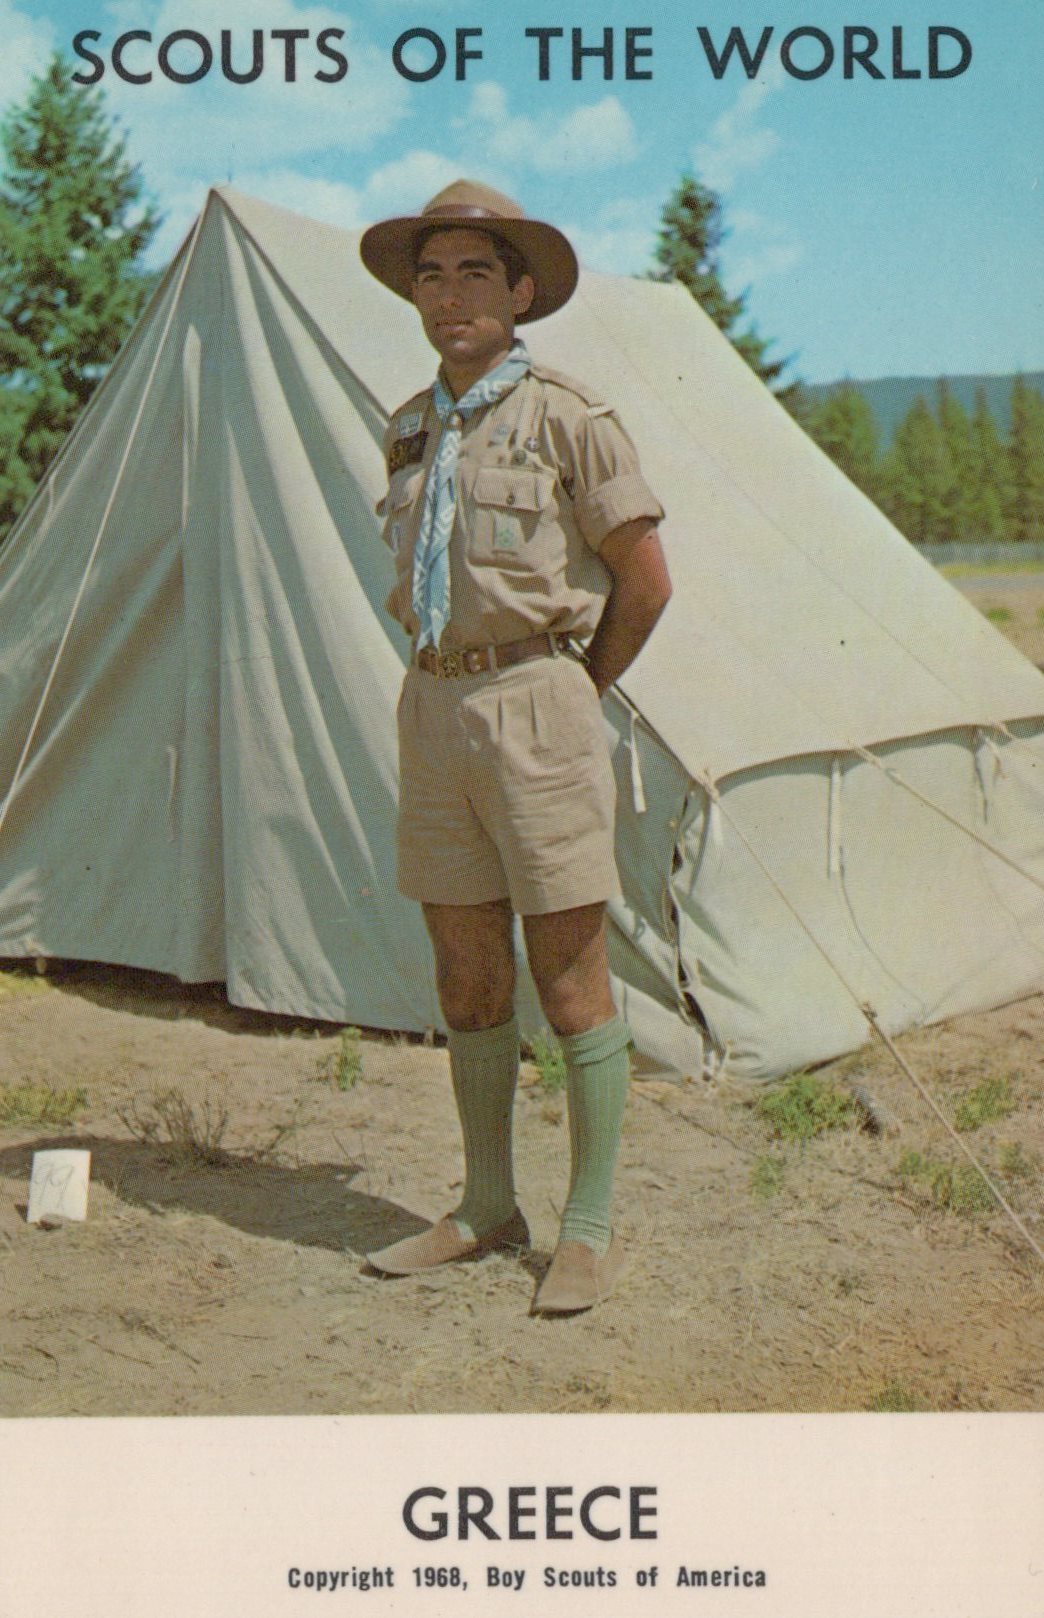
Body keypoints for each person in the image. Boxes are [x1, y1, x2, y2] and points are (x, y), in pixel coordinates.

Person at [358, 180, 671, 1314]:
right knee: (466, 971)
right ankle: (488, 1204)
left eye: (476, 274)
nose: (450, 297)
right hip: (436, 706)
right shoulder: (409, 426)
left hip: (540, 699)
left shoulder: (568, 418)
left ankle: (587, 1229)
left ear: (523, 292)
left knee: (570, 976)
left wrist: (575, 688)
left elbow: (645, 580)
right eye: (432, 276)